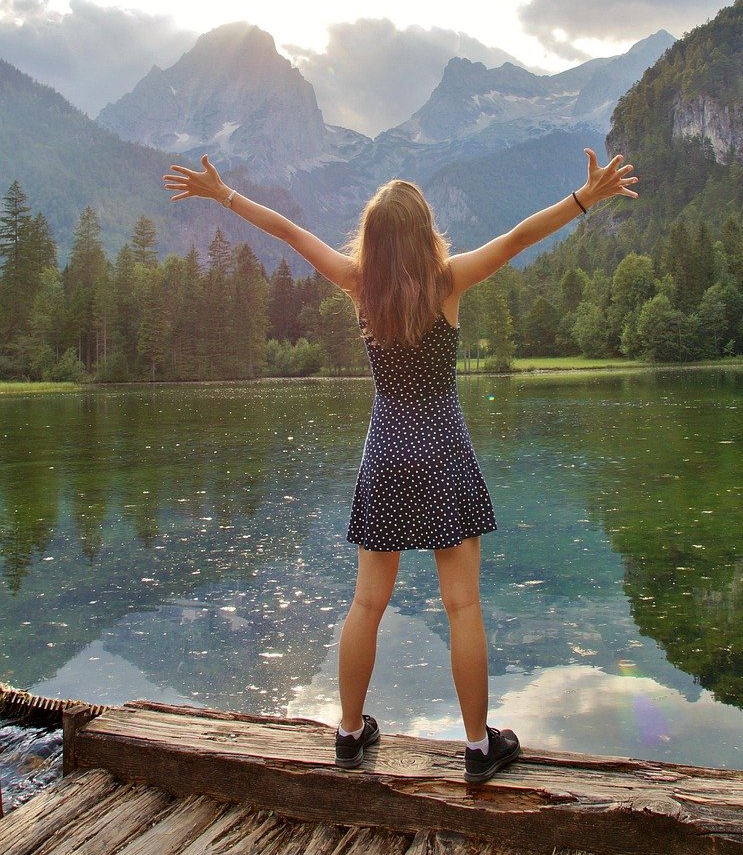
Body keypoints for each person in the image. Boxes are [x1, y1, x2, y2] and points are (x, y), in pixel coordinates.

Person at [163, 147, 638, 782]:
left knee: (366, 604)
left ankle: (350, 736)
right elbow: (520, 237)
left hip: (384, 451)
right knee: (462, 606)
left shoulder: (357, 284)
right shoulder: (450, 282)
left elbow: (287, 231)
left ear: (374, 240)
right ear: (423, 233)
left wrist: (224, 195)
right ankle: (476, 749)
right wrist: (586, 198)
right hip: (443, 450)